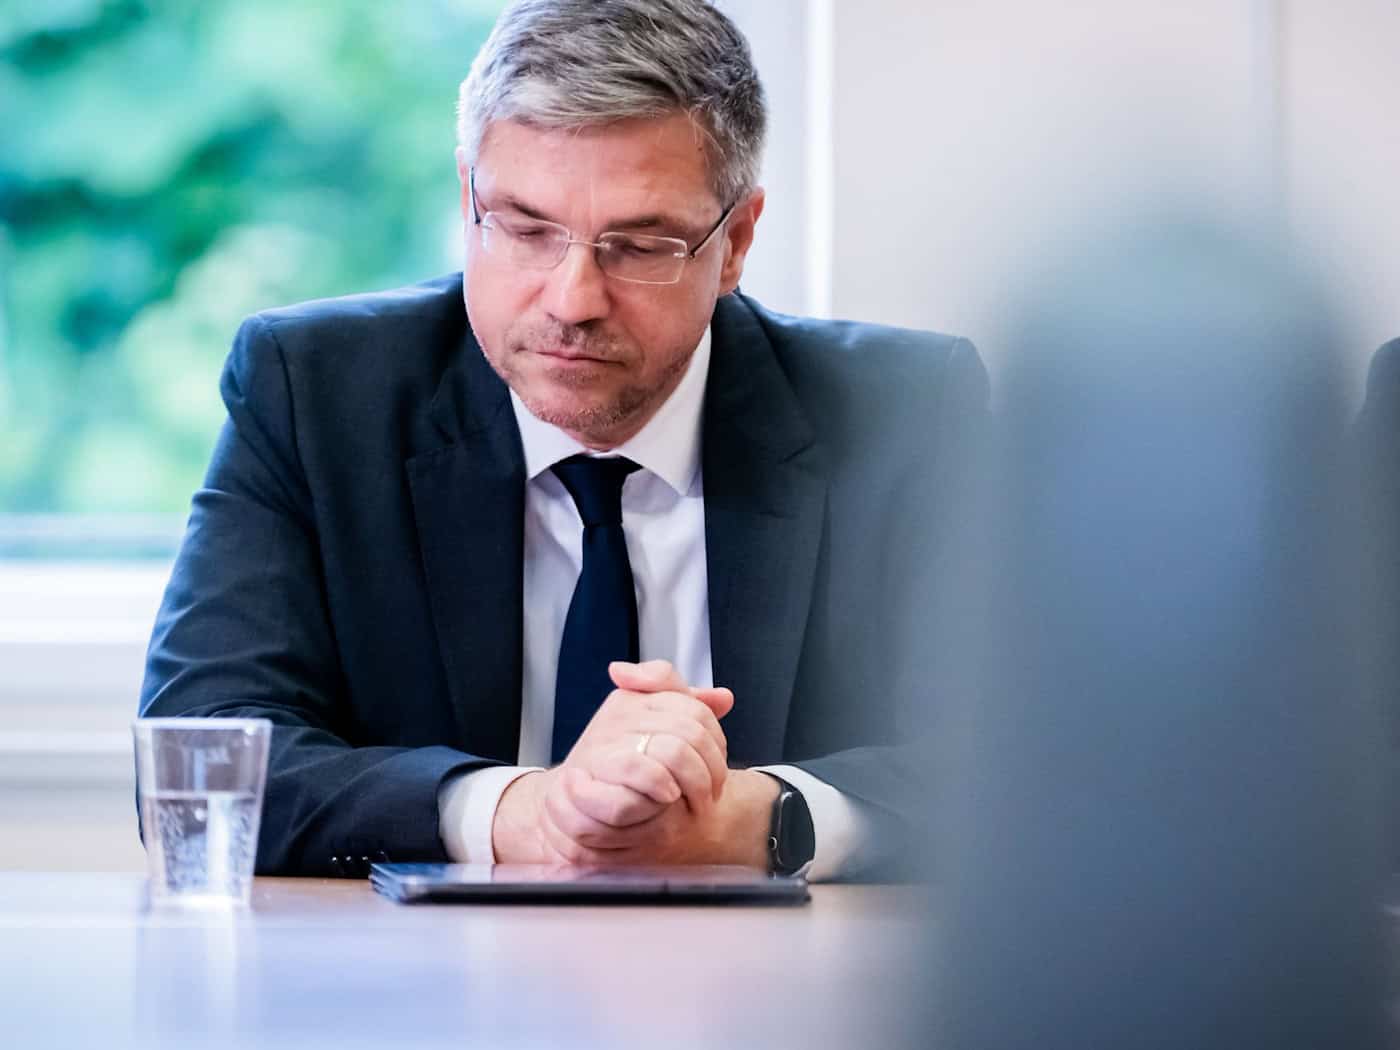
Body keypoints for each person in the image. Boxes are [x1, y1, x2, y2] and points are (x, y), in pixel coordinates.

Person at [139, 0, 986, 881]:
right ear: (468, 199)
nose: (572, 299)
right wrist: (519, 814)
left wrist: (759, 817)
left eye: (639, 244)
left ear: (734, 242)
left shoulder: (905, 415)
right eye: (526, 228)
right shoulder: (314, 392)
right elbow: (201, 751)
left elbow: (1009, 750)